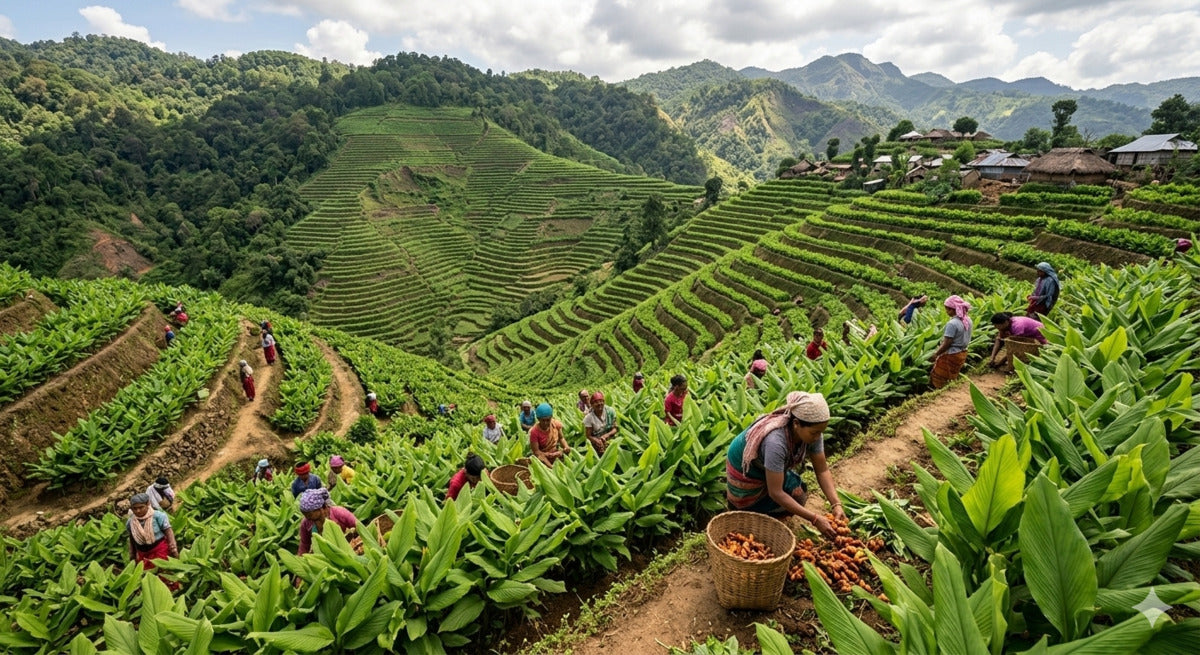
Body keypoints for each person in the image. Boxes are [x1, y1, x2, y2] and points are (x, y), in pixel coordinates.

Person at [725, 391, 843, 538]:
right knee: (764, 507)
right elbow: (776, 492)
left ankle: (772, 519)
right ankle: (763, 522)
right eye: (814, 433)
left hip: (765, 469)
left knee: (799, 494)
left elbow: (822, 470)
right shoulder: (776, 442)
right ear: (796, 424)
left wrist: (836, 504)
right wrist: (814, 519)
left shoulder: (812, 434)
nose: (818, 437)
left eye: (821, 432)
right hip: (746, 474)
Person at [127, 492, 180, 590]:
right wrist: (132, 554)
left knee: (164, 572)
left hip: (159, 549)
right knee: (149, 576)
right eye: (135, 508)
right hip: (143, 553)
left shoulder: (158, 516)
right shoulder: (131, 522)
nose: (138, 511)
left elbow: (168, 531)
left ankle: (172, 591)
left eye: (141, 507)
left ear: (148, 504)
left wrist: (173, 547)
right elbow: (132, 538)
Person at [296, 488, 357, 556]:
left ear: (320, 508)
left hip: (347, 550)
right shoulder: (306, 523)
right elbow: (304, 546)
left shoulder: (339, 513)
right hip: (325, 555)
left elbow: (359, 528)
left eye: (309, 514)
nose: (307, 517)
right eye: (304, 514)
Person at [931, 296, 974, 389]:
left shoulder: (952, 323)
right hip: (962, 353)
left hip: (951, 354)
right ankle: (949, 389)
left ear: (953, 309)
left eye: (947, 309)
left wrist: (936, 354)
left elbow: (947, 343)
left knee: (940, 376)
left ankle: (940, 393)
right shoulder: (968, 320)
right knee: (951, 375)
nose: (946, 312)